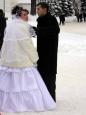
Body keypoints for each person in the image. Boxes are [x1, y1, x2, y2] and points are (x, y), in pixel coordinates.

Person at [0, 8, 56, 112]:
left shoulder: (10, 26)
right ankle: (24, 104)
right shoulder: (22, 27)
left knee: (10, 84)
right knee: (27, 85)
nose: (27, 16)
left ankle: (10, 103)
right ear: (19, 15)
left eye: (27, 14)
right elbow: (27, 45)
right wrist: (35, 57)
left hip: (10, 61)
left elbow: (5, 44)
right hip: (22, 61)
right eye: (24, 15)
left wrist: (3, 57)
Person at [35, 2, 60, 102]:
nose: (37, 11)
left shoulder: (51, 19)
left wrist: (39, 30)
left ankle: (51, 98)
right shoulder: (40, 20)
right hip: (41, 53)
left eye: (38, 9)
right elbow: (42, 33)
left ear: (45, 9)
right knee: (41, 76)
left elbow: (55, 30)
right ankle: (43, 98)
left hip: (50, 55)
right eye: (36, 9)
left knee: (49, 76)